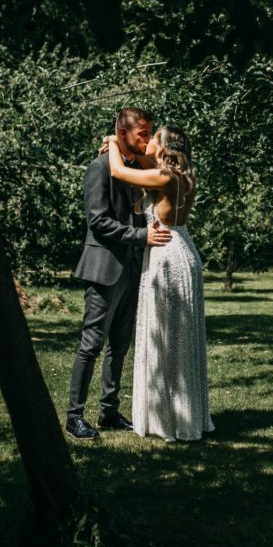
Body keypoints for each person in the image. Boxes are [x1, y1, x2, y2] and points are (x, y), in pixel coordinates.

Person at [66, 107, 172, 440]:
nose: (147, 139)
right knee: (91, 344)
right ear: (123, 132)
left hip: (132, 268)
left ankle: (109, 412)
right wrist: (142, 236)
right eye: (143, 133)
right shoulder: (99, 168)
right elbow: (97, 221)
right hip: (105, 268)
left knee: (120, 345)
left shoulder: (131, 167)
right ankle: (74, 417)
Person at [107, 125, 214, 442]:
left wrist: (114, 140)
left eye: (154, 139)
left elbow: (117, 170)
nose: (148, 141)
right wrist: (136, 150)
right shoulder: (183, 177)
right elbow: (141, 161)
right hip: (185, 250)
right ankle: (182, 413)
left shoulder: (164, 177)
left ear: (165, 149)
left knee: (166, 336)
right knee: (180, 337)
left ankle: (169, 419)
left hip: (167, 256)